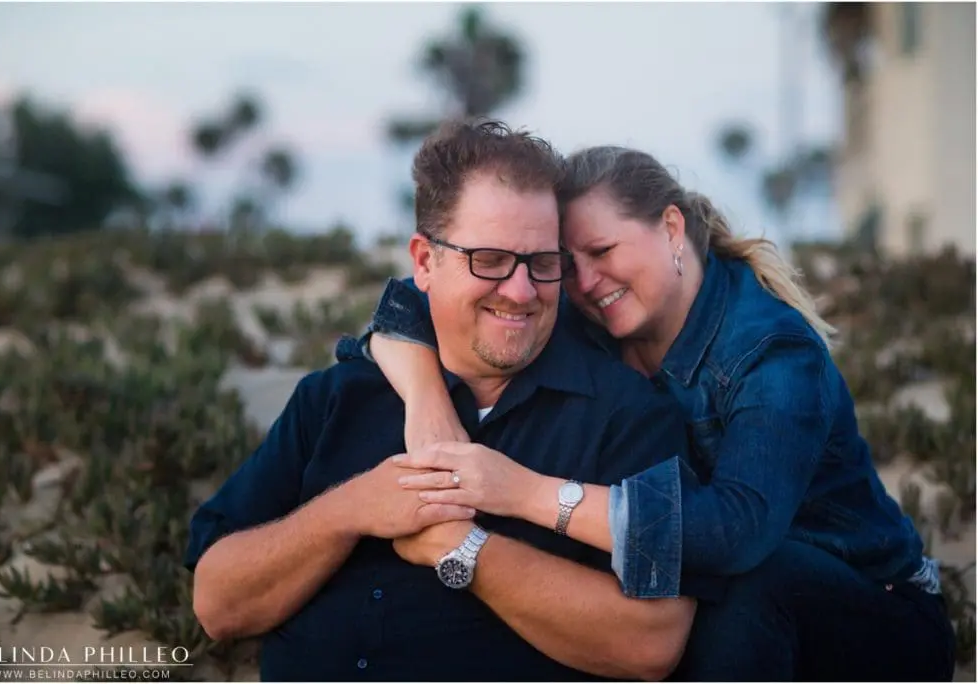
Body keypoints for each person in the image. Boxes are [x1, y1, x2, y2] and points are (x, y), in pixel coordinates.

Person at [336, 143, 957, 680]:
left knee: (738, 585)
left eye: (603, 250)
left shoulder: (772, 351)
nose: (584, 282)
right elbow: (412, 306)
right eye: (566, 263)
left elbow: (735, 532)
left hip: (871, 612)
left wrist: (524, 493)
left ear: (669, 228)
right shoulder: (591, 315)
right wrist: (424, 397)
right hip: (735, 617)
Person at [185, 121, 724, 682]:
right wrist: (349, 511)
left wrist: (467, 551)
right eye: (488, 260)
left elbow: (652, 642)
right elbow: (217, 604)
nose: (519, 292)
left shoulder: (629, 417)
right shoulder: (336, 398)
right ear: (423, 262)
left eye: (542, 263)